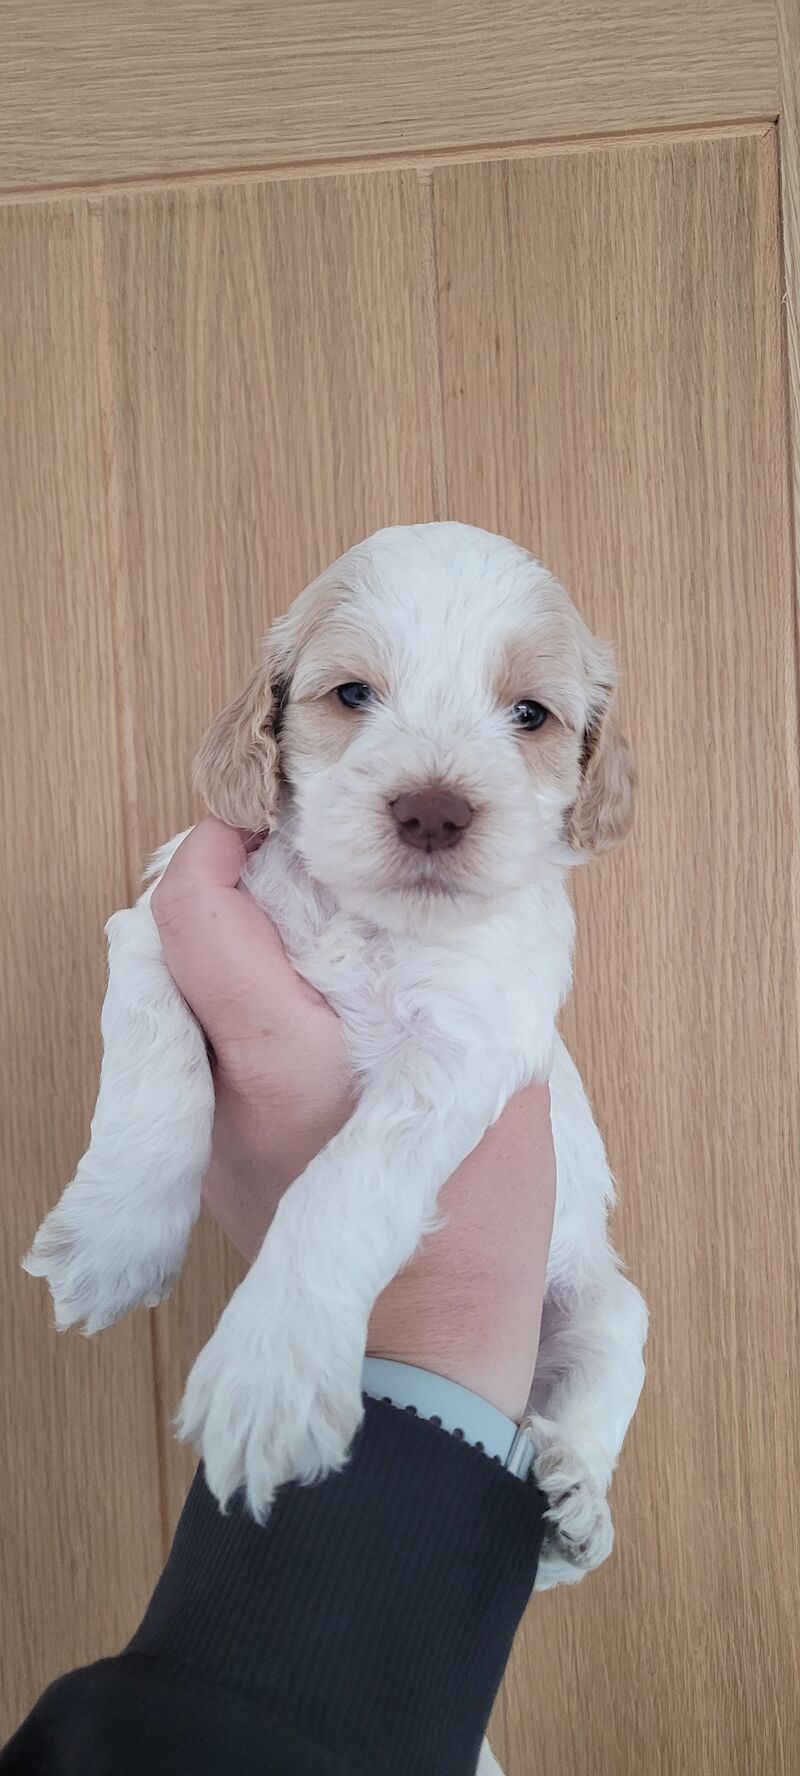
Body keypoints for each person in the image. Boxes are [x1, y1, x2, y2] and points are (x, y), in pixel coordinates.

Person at [2, 821, 556, 1775]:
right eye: (351, 697)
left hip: (477, 1420)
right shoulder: (255, 864)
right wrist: (146, 1165)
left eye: (530, 716)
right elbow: (148, 939)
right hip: (394, 1613)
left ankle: (572, 1460)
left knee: (609, 1325)